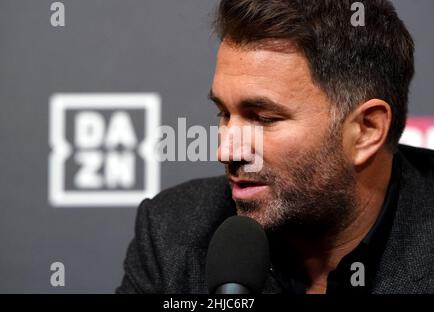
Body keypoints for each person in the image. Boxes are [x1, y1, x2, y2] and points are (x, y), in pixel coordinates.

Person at [116, 0, 434, 294]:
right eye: (224, 114)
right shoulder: (173, 232)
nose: (226, 151)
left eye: (263, 119)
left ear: (366, 130)